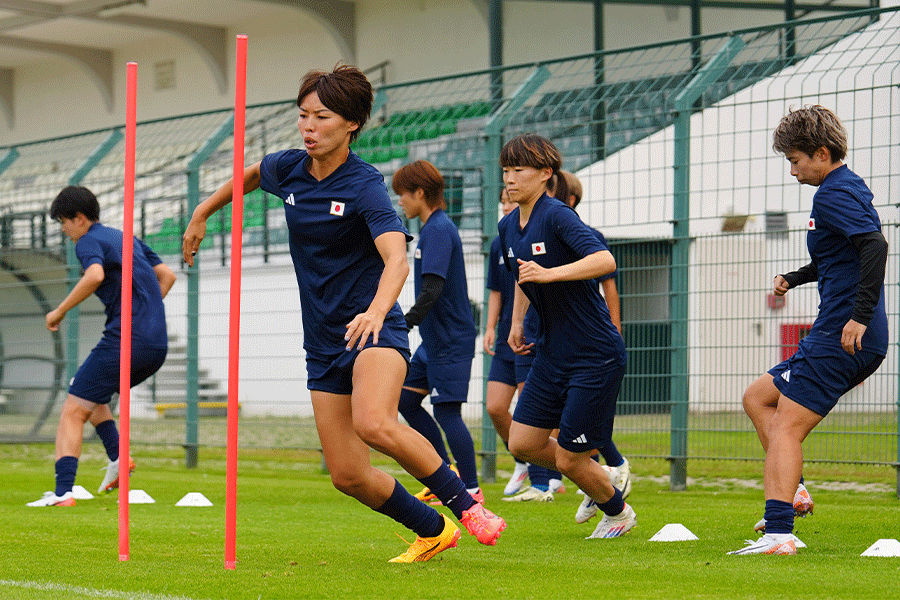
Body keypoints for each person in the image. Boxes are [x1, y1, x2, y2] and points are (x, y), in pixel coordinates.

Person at [182, 66, 505, 563]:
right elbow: (252, 174)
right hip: (323, 342)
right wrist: (204, 211)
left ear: (351, 123)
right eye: (303, 116)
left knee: (376, 422)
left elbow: (397, 257)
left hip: (373, 329)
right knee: (348, 475)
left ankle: (468, 505)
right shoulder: (289, 169)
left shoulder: (365, 185)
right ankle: (432, 528)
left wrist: (377, 311)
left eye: (322, 117)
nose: (308, 126)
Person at [730, 106, 887, 555]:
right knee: (758, 397)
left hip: (843, 332)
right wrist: (796, 277)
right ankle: (792, 489)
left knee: (785, 429)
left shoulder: (832, 194)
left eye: (796, 160)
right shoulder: (847, 186)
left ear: (822, 153)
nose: (794, 171)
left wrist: (859, 314)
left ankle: (780, 532)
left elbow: (875, 246)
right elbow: (841, 256)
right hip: (842, 330)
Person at [498, 133, 636, 539]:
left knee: (572, 460)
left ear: (545, 174)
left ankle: (617, 511)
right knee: (521, 443)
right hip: (551, 352)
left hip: (594, 352)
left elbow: (604, 259)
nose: (509, 178)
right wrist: (516, 322)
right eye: (505, 170)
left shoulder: (558, 216)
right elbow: (523, 275)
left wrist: (552, 273)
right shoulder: (509, 226)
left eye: (518, 170)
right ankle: (600, 476)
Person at [28, 186, 176, 507]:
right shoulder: (126, 239)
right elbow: (167, 275)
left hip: (127, 339)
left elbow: (94, 275)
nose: (64, 230)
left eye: (64, 222)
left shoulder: (88, 241)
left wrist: (60, 310)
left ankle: (63, 493)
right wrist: (146, 312)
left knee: (72, 410)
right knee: (88, 392)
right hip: (156, 343)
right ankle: (118, 460)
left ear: (80, 219)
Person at [392, 159, 484, 505]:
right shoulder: (430, 230)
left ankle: (471, 488)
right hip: (432, 341)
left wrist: (405, 322)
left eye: (403, 193)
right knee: (407, 400)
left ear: (420, 192)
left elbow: (432, 289)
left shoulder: (439, 230)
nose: (400, 200)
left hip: (449, 340)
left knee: (447, 411)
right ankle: (444, 472)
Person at [556, 170, 633, 521]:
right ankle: (603, 474)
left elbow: (608, 286)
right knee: (547, 426)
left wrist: (614, 330)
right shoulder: (521, 229)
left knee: (573, 420)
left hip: (586, 342)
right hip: (550, 339)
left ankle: (608, 471)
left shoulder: (584, 234)